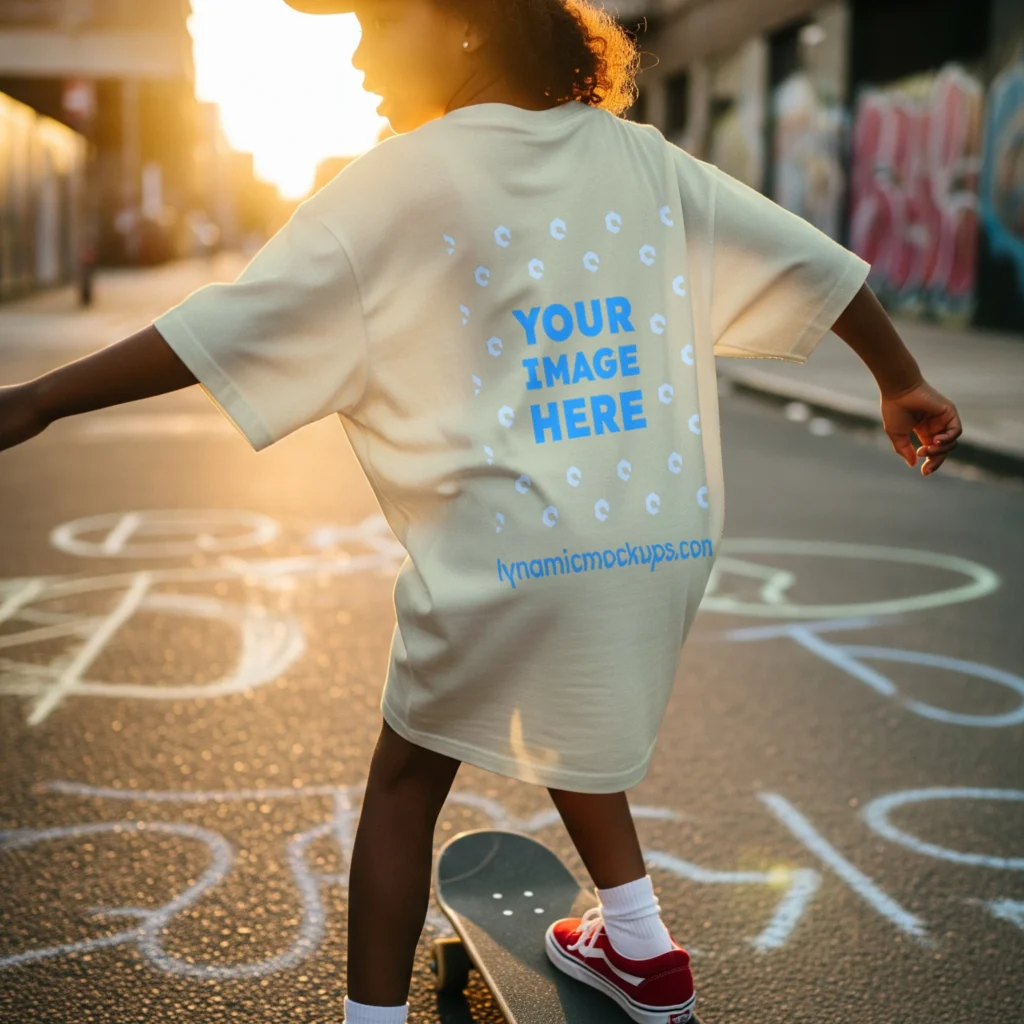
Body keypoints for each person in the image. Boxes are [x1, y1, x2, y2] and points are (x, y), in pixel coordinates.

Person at [0, 1, 963, 1022]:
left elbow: (223, 327)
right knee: (561, 701)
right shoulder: (642, 159)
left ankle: (370, 1019)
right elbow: (813, 264)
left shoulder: (397, 178)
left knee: (405, 783)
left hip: (511, 551)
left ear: (463, 27)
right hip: (656, 535)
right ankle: (639, 947)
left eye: (375, 27)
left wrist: (41, 397)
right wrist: (899, 380)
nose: (360, 57)